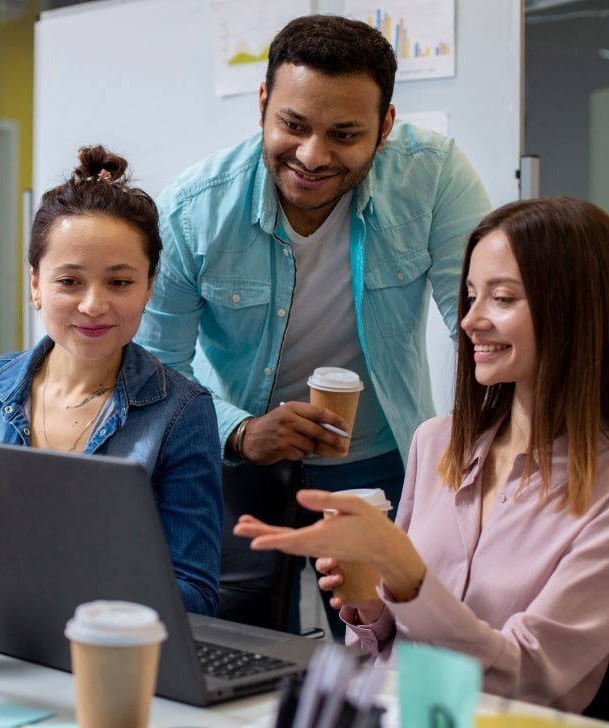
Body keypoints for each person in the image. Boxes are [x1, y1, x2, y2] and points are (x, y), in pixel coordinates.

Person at [136, 14, 490, 635]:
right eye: (293, 126)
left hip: (379, 463)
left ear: (385, 126)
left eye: (344, 134)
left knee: (390, 644)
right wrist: (240, 431)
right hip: (238, 462)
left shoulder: (432, 175)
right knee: (235, 640)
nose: (312, 156)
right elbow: (156, 364)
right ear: (263, 104)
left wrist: (485, 447)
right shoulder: (194, 210)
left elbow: (477, 321)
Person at [234, 196, 609, 713]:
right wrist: (369, 605)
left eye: (502, 298)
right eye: (471, 296)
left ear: (575, 311)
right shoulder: (436, 443)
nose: (471, 320)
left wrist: (407, 575)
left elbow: (525, 679)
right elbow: (382, 647)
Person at [0, 146, 223, 617]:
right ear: (35, 285)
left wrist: (70, 586)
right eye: (69, 281)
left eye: (119, 283)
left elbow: (195, 595)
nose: (93, 305)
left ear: (149, 286)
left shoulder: (182, 411)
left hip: (104, 647)